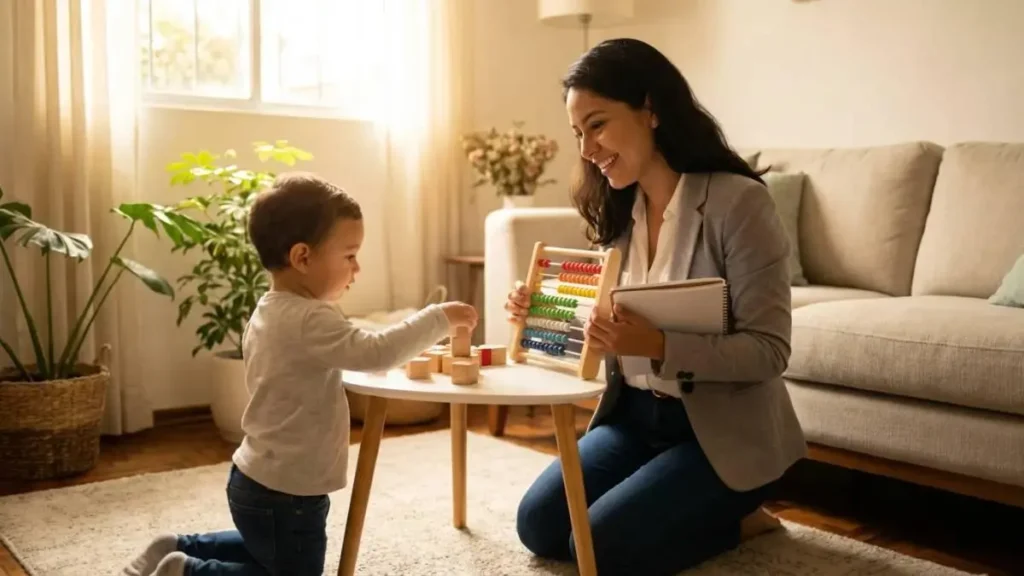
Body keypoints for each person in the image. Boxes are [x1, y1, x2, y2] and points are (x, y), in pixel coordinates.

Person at [507, 38, 808, 575]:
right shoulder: (620, 212)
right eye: (578, 132)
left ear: (650, 109)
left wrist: (659, 346)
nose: (585, 149)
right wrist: (542, 313)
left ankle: (740, 519)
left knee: (598, 551)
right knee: (539, 525)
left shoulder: (739, 203)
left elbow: (768, 351)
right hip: (634, 421)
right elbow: (601, 335)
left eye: (597, 125)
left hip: (719, 432)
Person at [122, 173, 478, 576]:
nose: (357, 267)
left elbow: (355, 342)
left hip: (257, 479)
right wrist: (438, 318)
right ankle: (187, 570)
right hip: (287, 492)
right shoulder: (311, 320)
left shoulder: (271, 308)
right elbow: (377, 353)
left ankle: (177, 546)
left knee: (268, 550)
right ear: (302, 258)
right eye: (349, 256)